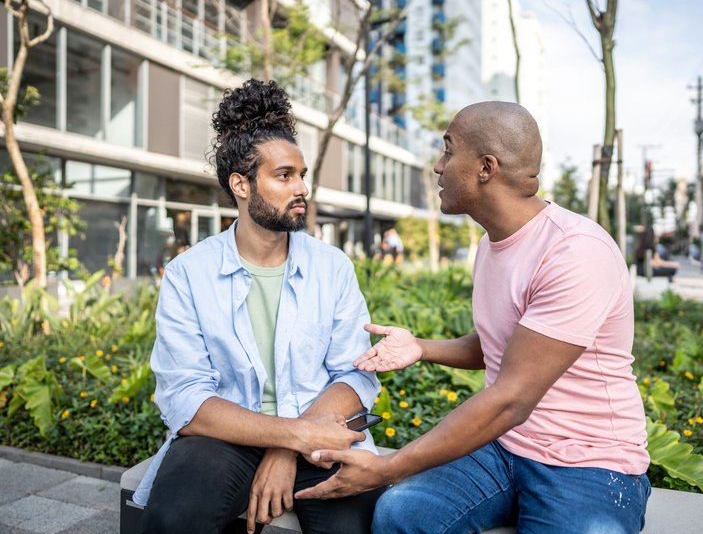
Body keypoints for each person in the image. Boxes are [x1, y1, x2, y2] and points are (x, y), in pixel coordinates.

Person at [296, 102, 651, 533]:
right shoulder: (492, 244)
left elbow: (512, 399)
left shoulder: (575, 252)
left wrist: (387, 468)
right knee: (400, 515)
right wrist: (420, 348)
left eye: (448, 150)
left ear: (486, 167)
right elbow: (502, 345)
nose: (437, 166)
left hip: (589, 462)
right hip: (505, 448)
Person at [134, 79, 383, 534]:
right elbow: (186, 397)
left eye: (302, 175)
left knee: (353, 527)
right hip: (226, 438)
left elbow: (355, 374)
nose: (301, 188)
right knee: (173, 519)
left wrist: (288, 447)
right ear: (241, 184)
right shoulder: (189, 273)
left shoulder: (332, 267)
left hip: (321, 433)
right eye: (284, 176)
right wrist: (292, 436)